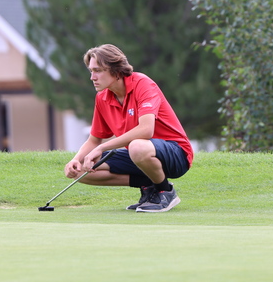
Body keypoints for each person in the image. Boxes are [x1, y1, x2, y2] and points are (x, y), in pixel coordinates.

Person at [65, 44, 193, 212]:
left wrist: (102, 148)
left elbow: (146, 130)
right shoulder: (102, 98)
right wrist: (75, 159)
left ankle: (165, 191)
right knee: (80, 169)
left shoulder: (142, 83)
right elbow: (94, 139)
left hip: (176, 154)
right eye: (91, 71)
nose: (92, 77)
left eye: (98, 71)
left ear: (116, 71)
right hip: (138, 155)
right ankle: (148, 185)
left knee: (137, 146)